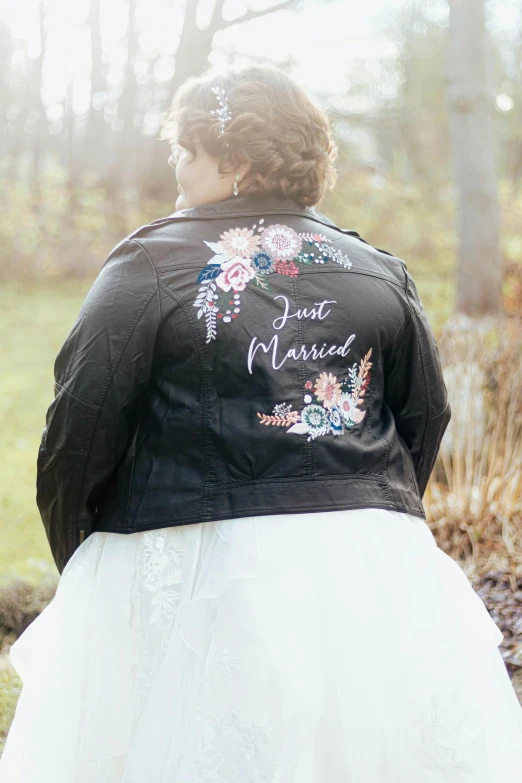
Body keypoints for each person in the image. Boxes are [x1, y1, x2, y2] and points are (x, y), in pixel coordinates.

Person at [1, 64, 522, 783]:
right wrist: (371, 521)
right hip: (366, 567)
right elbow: (424, 416)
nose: (175, 167)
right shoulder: (380, 270)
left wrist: (94, 564)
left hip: (194, 560)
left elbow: (79, 430)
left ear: (238, 160)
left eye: (186, 150)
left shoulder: (148, 265)